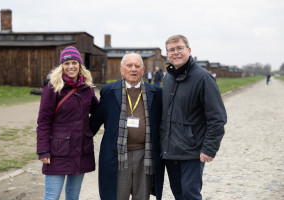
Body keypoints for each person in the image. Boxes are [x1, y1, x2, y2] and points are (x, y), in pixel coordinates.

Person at [160, 35, 227, 200]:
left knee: (190, 194)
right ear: (167, 54)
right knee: (178, 193)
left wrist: (209, 149)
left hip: (192, 150)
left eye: (179, 48)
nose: (176, 53)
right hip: (170, 150)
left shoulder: (203, 78)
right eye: (171, 50)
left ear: (188, 51)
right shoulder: (168, 77)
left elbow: (217, 118)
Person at [90, 53, 165, 200]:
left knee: (142, 197)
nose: (133, 69)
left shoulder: (156, 93)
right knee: (118, 196)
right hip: (118, 156)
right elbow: (94, 122)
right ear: (121, 69)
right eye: (129, 65)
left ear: (143, 70)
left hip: (145, 155)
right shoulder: (109, 91)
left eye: (137, 66)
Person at [36, 46, 98, 200]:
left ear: (80, 65)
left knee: (73, 196)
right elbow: (43, 121)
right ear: (61, 66)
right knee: (52, 197)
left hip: (80, 150)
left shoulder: (87, 89)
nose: (71, 66)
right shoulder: (52, 88)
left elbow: (98, 112)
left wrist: (89, 133)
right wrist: (43, 150)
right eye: (67, 63)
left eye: (74, 63)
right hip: (58, 151)